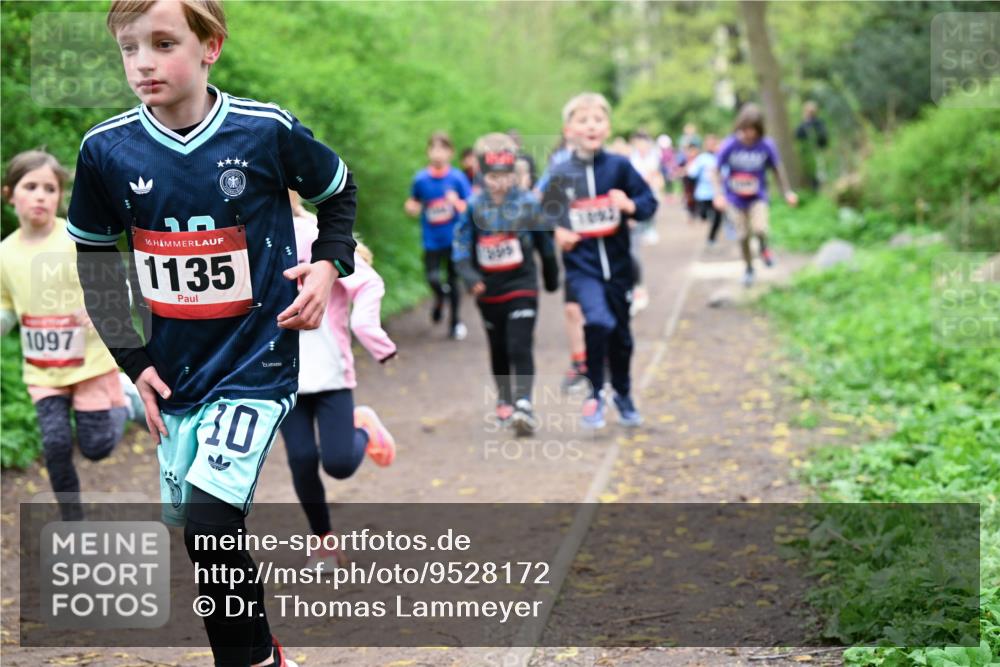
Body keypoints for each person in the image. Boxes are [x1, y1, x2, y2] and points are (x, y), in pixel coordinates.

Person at [69, 2, 359, 665]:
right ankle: (266, 654)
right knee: (202, 536)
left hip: (257, 365)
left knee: (208, 525)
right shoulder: (105, 150)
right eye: (128, 48)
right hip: (177, 373)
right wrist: (132, 359)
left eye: (163, 43)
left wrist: (326, 265)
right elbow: (93, 258)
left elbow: (339, 195)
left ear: (211, 47)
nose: (142, 62)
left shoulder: (265, 132)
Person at [1, 150, 142, 521]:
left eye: (50, 188)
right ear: (10, 194)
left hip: (92, 364)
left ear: (60, 196)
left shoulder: (75, 237)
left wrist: (104, 307)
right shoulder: (4, 253)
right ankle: (73, 519)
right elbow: (6, 309)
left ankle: (124, 400)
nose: (40, 196)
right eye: (30, 187)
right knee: (55, 444)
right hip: (43, 371)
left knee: (95, 448)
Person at [283, 192, 396, 569]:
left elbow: (367, 283)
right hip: (282, 375)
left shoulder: (315, 233)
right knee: (300, 459)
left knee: (339, 464)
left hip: (329, 371)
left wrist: (370, 331)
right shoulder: (244, 240)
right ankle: (323, 541)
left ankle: (362, 428)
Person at [542, 93, 658, 429]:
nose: (591, 126)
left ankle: (622, 392)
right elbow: (548, 211)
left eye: (597, 120)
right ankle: (595, 392)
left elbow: (648, 202)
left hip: (620, 267)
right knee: (597, 322)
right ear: (569, 130)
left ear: (607, 127)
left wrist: (630, 206)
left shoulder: (620, 167)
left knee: (621, 335)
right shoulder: (561, 171)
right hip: (583, 267)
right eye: (583, 120)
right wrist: (557, 231)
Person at [453, 133, 559, 436]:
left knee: (519, 342)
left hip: (522, 283)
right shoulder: (473, 207)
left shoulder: (527, 204)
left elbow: (545, 243)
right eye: (493, 176)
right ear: (482, 176)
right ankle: (505, 398)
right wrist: (470, 276)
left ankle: (524, 403)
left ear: (515, 174)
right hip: (489, 290)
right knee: (498, 347)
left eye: (506, 176)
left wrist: (551, 277)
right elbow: (460, 246)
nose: (500, 182)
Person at [712, 103, 798, 287]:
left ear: (759, 129)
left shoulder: (766, 145)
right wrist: (718, 194)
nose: (749, 134)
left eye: (752, 129)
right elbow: (715, 170)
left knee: (760, 228)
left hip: (757, 197)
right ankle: (749, 268)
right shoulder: (730, 144)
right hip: (734, 198)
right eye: (745, 129)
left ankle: (764, 249)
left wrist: (787, 192)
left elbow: (777, 169)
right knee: (742, 236)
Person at [404, 131, 472, 340]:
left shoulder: (458, 178)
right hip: (431, 239)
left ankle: (455, 323)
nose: (438, 153)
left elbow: (471, 208)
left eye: (443, 148)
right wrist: (411, 207)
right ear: (428, 151)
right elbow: (412, 202)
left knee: (453, 280)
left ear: (450, 152)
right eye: (434, 148)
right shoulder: (421, 179)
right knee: (433, 278)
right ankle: (440, 298)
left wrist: (456, 203)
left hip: (455, 239)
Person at [685, 135, 724, 245]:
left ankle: (711, 238)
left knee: (717, 218)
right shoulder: (702, 158)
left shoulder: (721, 157)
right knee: (703, 215)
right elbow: (692, 173)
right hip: (703, 194)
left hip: (718, 194)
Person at [795, 100, 829, 191]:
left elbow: (824, 138)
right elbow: (797, 136)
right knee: (811, 177)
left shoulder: (819, 123)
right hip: (807, 155)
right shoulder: (803, 125)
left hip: (817, 152)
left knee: (820, 175)